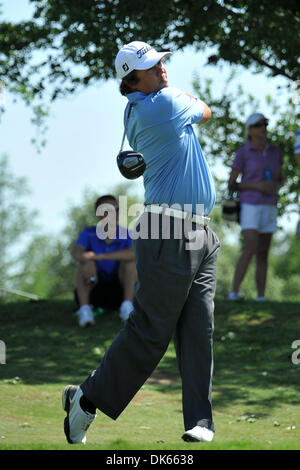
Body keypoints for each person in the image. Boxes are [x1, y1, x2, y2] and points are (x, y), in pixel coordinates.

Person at [62, 40, 220, 444]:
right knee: (151, 329)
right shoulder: (162, 105)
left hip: (201, 230)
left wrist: (187, 100)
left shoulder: (154, 102)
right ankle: (87, 397)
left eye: (162, 62)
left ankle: (200, 420)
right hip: (169, 229)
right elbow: (205, 110)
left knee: (198, 330)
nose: (163, 69)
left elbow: (199, 110)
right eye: (153, 66)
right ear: (133, 79)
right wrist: (188, 100)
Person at [227, 113, 285, 301]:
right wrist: (257, 185)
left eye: (265, 124)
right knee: (250, 247)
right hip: (249, 204)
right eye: (259, 125)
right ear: (250, 129)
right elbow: (232, 183)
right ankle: (234, 292)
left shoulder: (276, 151)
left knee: (263, 252)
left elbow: (281, 177)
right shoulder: (243, 152)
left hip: (270, 204)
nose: (263, 128)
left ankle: (261, 296)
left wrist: (277, 183)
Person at [71, 194, 137, 327]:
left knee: (129, 263)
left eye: (116, 208)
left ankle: (127, 307)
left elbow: (133, 254)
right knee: (83, 263)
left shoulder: (128, 233)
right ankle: (85, 311)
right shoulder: (88, 233)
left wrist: (97, 257)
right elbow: (76, 251)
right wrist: (87, 259)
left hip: (121, 289)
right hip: (95, 287)